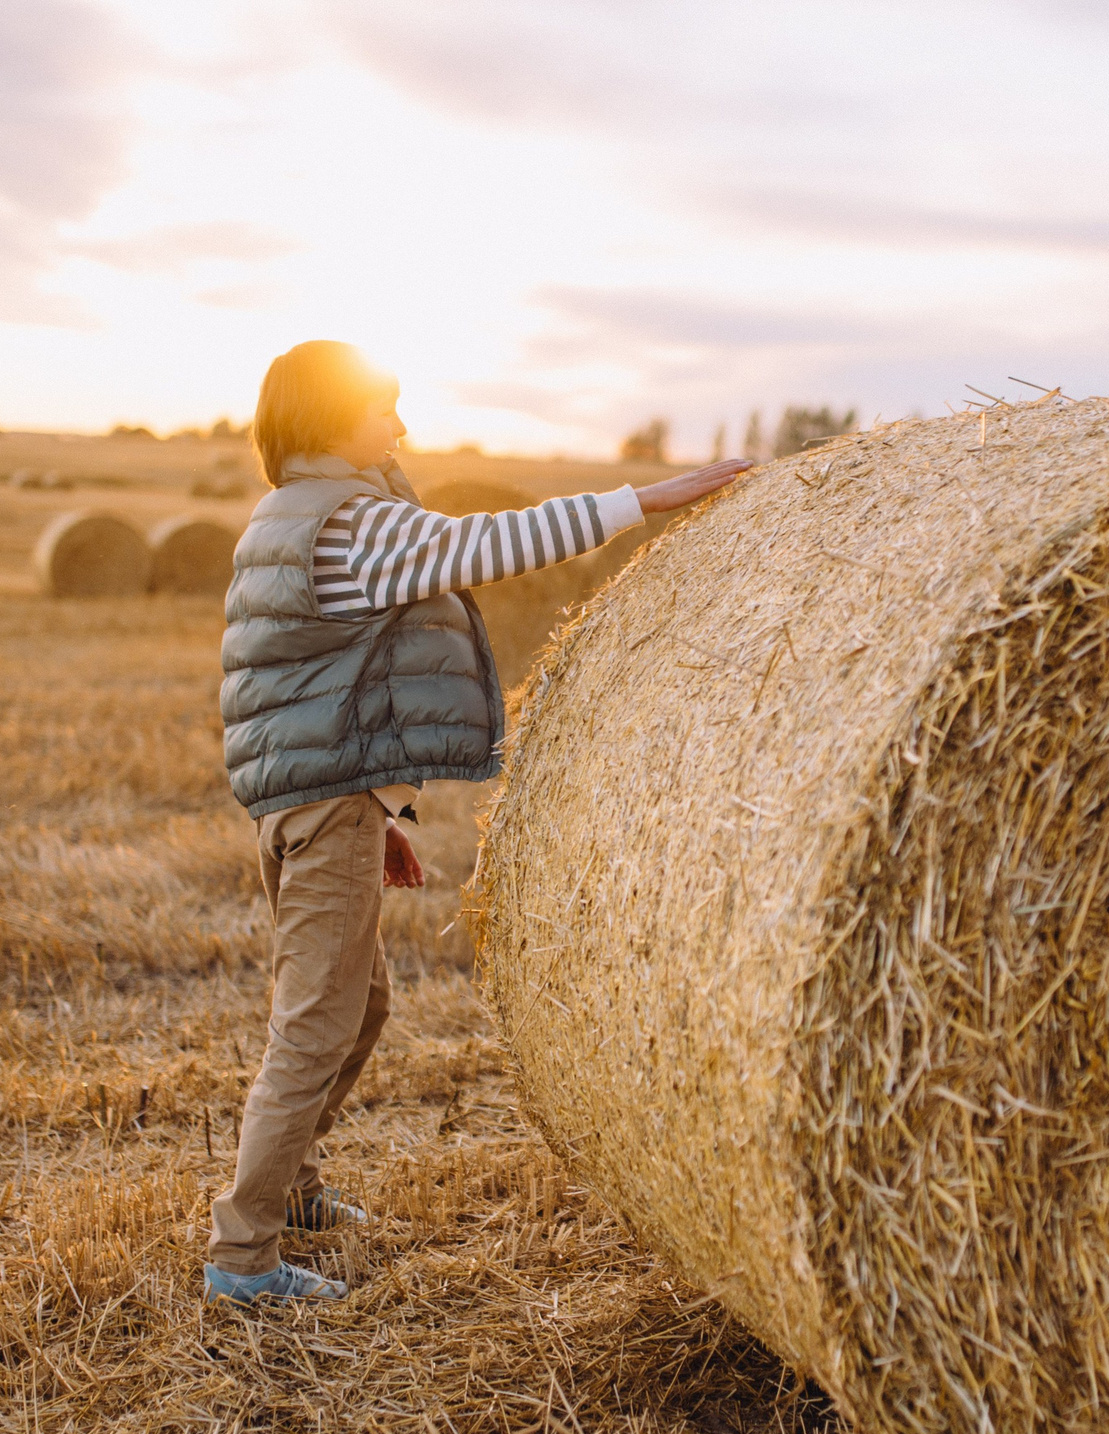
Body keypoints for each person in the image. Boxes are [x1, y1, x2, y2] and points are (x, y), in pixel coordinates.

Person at [207, 341, 750, 1303]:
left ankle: (293, 1188)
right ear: (331, 418)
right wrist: (650, 499)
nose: (399, 426)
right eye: (381, 408)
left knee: (359, 1007)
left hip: (310, 796)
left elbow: (309, 680)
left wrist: (371, 806)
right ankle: (241, 1257)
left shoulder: (285, 515)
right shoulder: (353, 526)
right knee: (315, 1027)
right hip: (322, 805)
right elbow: (493, 543)